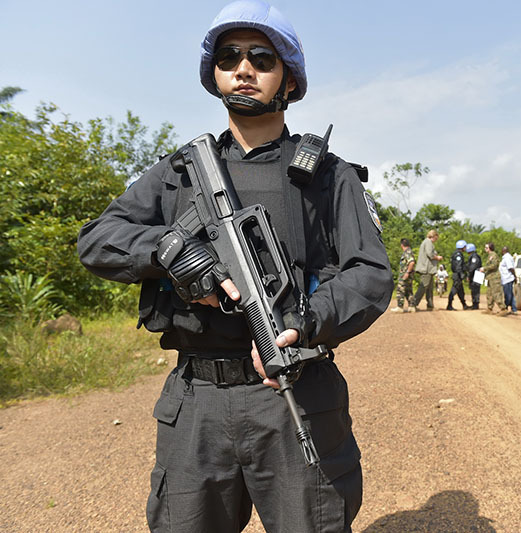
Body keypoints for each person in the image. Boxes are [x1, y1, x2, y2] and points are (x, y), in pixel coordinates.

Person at [76, 2, 393, 531]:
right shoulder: (179, 173)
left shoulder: (328, 176)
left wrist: (304, 320)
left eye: (261, 58)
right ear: (214, 73)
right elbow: (98, 240)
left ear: (287, 78)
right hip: (196, 402)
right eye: (229, 57)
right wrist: (175, 253)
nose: (243, 69)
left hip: (294, 395)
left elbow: (370, 273)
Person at [413, 229, 443, 311]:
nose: (436, 240)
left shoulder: (426, 242)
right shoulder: (428, 242)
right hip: (426, 269)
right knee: (423, 287)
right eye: (436, 238)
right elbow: (430, 254)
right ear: (433, 236)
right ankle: (413, 304)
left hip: (429, 269)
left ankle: (430, 305)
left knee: (429, 288)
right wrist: (438, 257)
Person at [390, 238, 416, 313]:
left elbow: (411, 262)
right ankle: (412, 307)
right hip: (409, 276)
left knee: (400, 290)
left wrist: (407, 273)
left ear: (402, 245)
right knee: (408, 291)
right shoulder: (410, 251)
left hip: (405, 275)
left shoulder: (407, 252)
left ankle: (400, 307)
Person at [480, 242, 504, 315]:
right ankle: (489, 308)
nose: (485, 249)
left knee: (496, 293)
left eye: (486, 248)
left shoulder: (494, 255)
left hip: (495, 277)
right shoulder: (489, 255)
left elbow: (494, 265)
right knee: (489, 293)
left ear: (490, 248)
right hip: (489, 277)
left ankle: (503, 308)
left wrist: (485, 268)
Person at [446, 239, 469, 310]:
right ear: (462, 247)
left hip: (457, 274)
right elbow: (458, 266)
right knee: (454, 290)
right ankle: (449, 305)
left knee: (461, 291)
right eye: (465, 247)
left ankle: (464, 305)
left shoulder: (456, 253)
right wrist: (461, 274)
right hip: (457, 275)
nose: (465, 248)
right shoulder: (458, 254)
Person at [499, 246, 517, 315]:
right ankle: (514, 309)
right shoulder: (506, 257)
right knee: (510, 294)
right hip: (506, 278)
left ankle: (506, 308)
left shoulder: (507, 258)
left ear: (504, 251)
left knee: (508, 294)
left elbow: (511, 268)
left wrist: (515, 276)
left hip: (507, 278)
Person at [465, 243, 482, 309]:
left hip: (477, 275)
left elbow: (472, 267)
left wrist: (469, 275)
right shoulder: (473, 256)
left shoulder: (474, 257)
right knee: (473, 290)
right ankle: (474, 303)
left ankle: (475, 304)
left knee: (475, 290)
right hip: (476, 274)